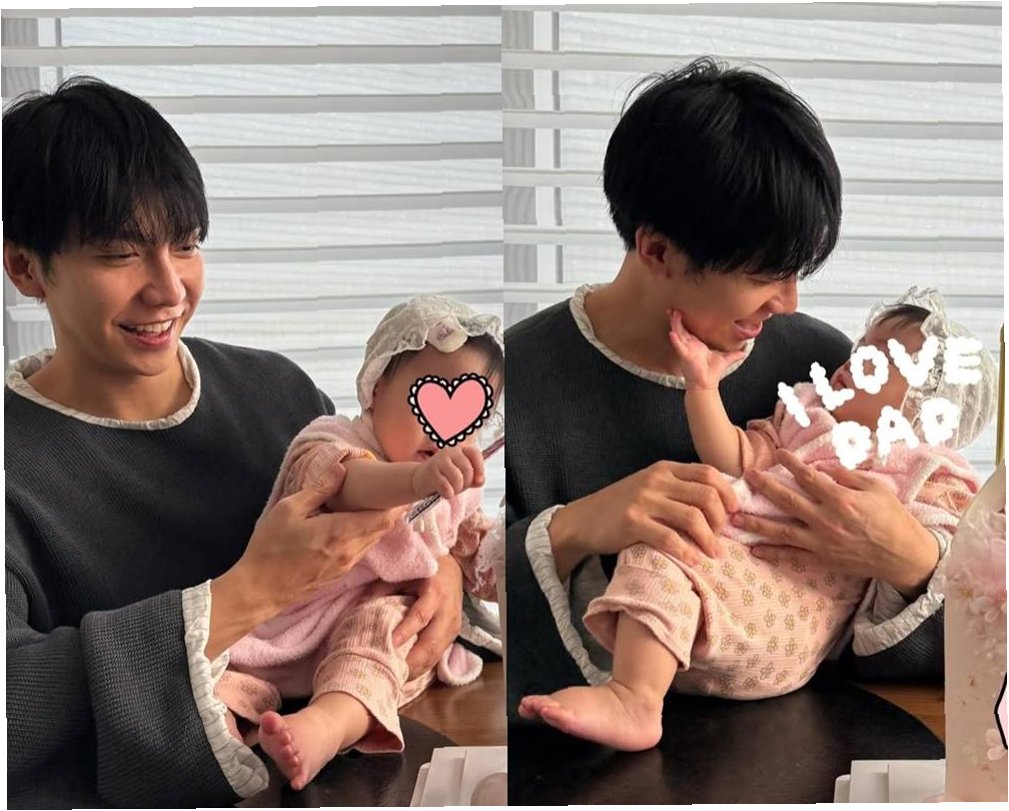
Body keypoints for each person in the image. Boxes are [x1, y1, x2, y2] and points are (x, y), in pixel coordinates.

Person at [4, 78, 467, 807]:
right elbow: (15, 706)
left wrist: (439, 575)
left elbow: (385, 550)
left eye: (186, 245)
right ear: (26, 267)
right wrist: (249, 592)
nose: (169, 289)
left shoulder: (278, 393)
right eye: (120, 254)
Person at [505, 58, 956, 716]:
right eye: (764, 275)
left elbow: (958, 652)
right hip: (578, 758)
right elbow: (446, 631)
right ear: (657, 251)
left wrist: (911, 560)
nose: (788, 302)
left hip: (812, 755)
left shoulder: (821, 369)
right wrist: (572, 530)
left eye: (797, 271)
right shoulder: (517, 380)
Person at [518, 290, 996, 750]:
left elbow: (961, 562)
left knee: (664, 554)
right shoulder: (806, 418)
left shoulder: (923, 467)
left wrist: (913, 552)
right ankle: (637, 690)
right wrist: (703, 388)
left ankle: (634, 698)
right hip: (723, 575)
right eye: (860, 347)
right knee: (660, 541)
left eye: (879, 360)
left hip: (795, 616)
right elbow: (735, 456)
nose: (853, 361)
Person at [214, 296, 504, 790]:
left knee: (382, 637)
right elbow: (343, 483)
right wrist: (416, 481)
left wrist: (514, 560)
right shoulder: (330, 440)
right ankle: (225, 736)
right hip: (288, 621)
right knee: (220, 677)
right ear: (375, 388)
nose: (445, 432)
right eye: (425, 401)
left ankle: (325, 726)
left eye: (470, 416)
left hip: (368, 623)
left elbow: (475, 551)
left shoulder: (456, 485)